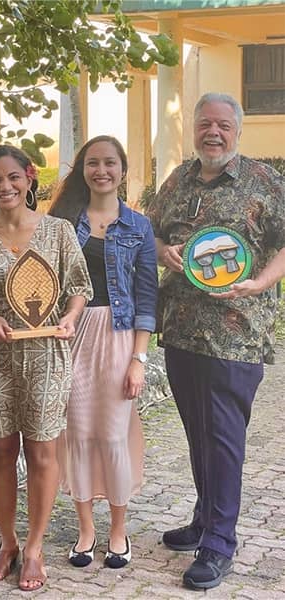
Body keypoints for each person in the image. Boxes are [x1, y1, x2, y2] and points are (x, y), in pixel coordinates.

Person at [147, 93, 285, 591]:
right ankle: (205, 519)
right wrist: (165, 253)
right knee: (197, 434)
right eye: (205, 124)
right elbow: (150, 233)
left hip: (236, 334)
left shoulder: (264, 182)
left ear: (237, 131)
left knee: (224, 440)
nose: (213, 132)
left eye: (223, 125)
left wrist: (262, 282)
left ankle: (220, 544)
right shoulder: (178, 180)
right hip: (181, 330)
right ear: (195, 129)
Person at [0, 145, 92, 592]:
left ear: (30, 178)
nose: (5, 187)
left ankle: (34, 547)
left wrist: (71, 317)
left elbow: (78, 285)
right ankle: (8, 542)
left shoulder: (58, 231)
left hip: (46, 357)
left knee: (41, 453)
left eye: (14, 177)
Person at [49, 135, 158, 570]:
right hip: (69, 335)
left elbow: (147, 295)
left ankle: (117, 529)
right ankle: (85, 530)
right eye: (92, 163)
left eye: (110, 163)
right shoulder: (60, 222)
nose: (101, 171)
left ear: (122, 169)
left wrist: (139, 358)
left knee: (112, 434)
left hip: (118, 334)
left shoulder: (139, 226)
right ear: (83, 169)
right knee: (76, 432)